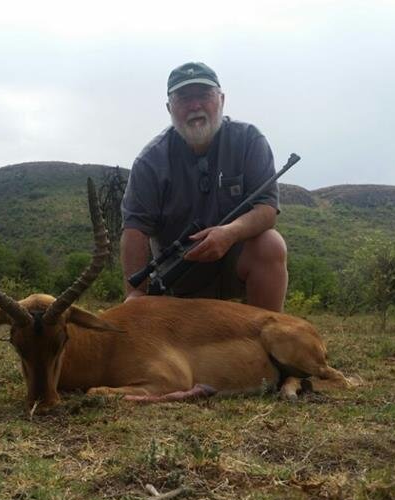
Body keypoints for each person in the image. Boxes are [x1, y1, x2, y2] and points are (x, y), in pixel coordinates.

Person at [120, 62, 288, 312]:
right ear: (169, 108)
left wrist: (229, 233)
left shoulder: (249, 140)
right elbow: (135, 230)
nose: (194, 105)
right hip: (178, 274)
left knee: (270, 244)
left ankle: (267, 340)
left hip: (234, 263)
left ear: (221, 99)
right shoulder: (149, 161)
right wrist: (136, 293)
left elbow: (267, 208)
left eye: (204, 95)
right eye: (184, 98)